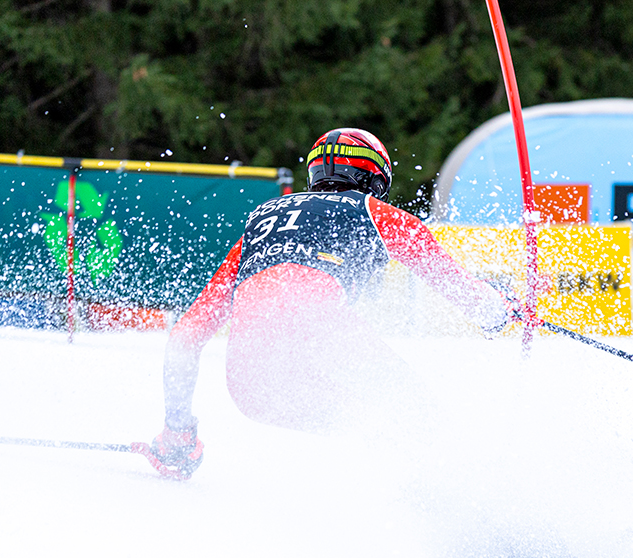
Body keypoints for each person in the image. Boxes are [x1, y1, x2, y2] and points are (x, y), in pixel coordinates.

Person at [141, 128, 513, 480]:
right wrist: (500, 313)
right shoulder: (374, 212)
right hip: (323, 350)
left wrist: (177, 432)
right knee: (418, 422)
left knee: (381, 426)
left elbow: (185, 339)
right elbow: (454, 284)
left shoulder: (260, 224)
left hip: (253, 390)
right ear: (375, 179)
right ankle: (465, 504)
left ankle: (418, 496)